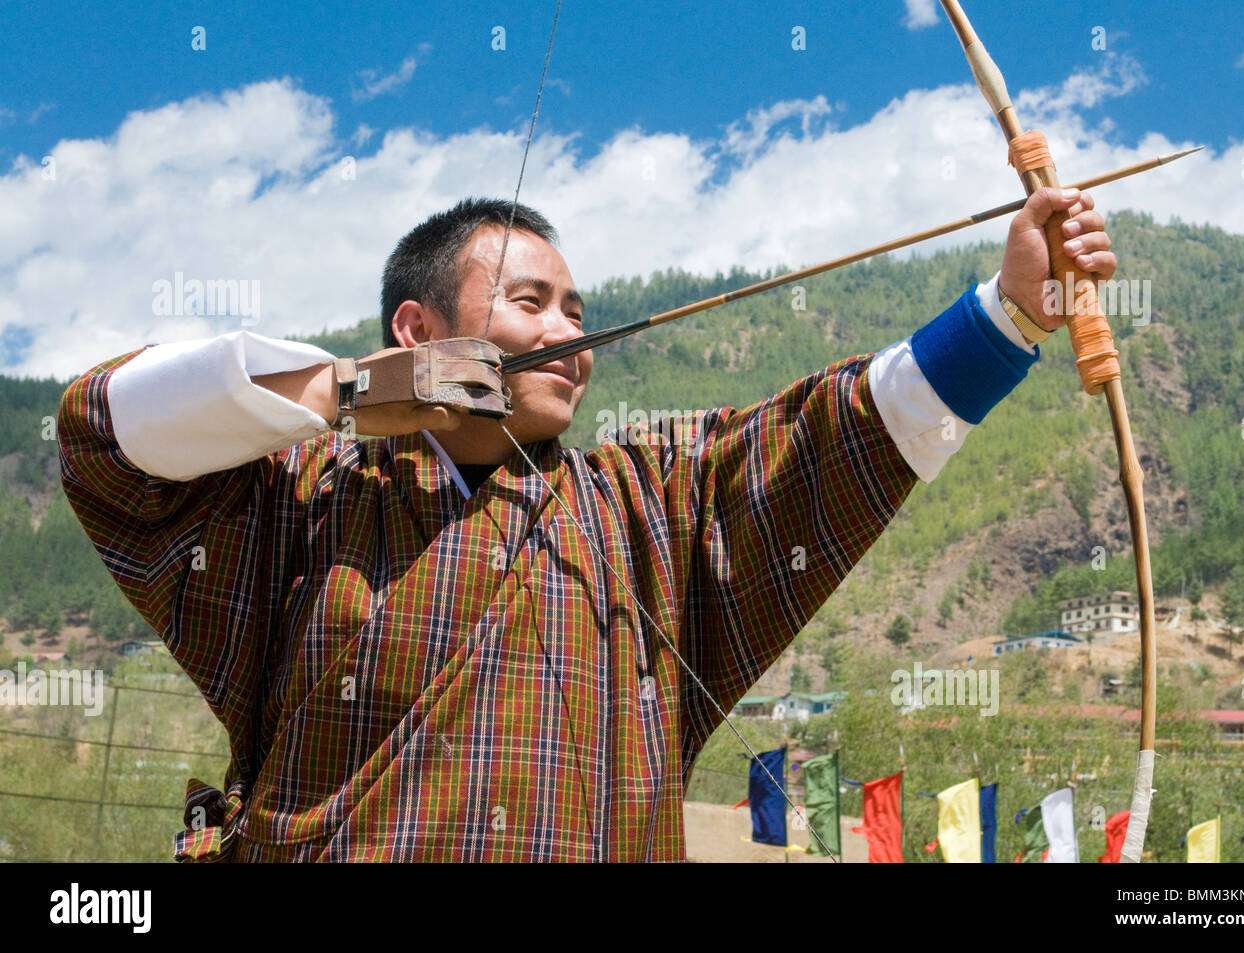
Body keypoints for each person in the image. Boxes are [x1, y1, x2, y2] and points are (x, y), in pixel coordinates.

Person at [58, 189, 1114, 861]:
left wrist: (1012, 309)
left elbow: (831, 436)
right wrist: (348, 391)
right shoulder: (302, 494)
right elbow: (101, 433)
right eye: (533, 302)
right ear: (417, 327)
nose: (571, 334)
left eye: (576, 309)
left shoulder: (647, 506)